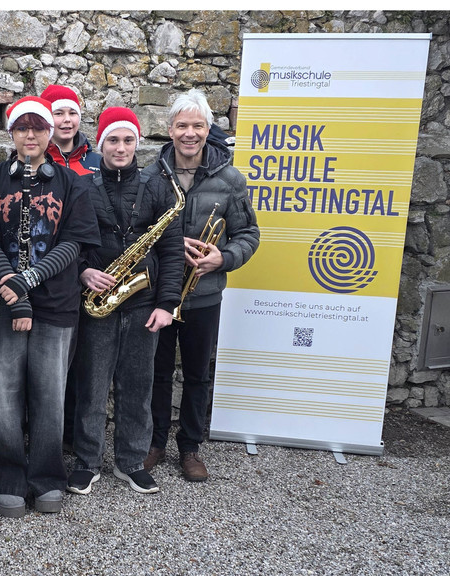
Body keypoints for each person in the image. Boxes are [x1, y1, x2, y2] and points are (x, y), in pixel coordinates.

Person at [0, 96, 99, 518]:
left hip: (55, 305)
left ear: (50, 133)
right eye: (22, 128)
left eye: (39, 127)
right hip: (1, 303)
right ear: (10, 132)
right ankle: (6, 478)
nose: (31, 135)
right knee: (1, 396)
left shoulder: (71, 183)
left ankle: (47, 477)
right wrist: (12, 284)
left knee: (50, 397)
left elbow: (74, 243)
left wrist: (29, 279)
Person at [67, 107, 184, 497]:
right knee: (91, 387)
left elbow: (171, 251)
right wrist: (83, 271)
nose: (121, 148)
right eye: (113, 140)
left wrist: (167, 304)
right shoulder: (82, 187)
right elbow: (71, 242)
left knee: (138, 386)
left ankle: (131, 462)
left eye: (128, 140)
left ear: (138, 143)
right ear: (101, 144)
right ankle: (87, 462)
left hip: (144, 303)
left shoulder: (157, 188)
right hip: (98, 301)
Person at [147, 89, 260, 482]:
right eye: (182, 125)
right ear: (170, 129)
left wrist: (222, 258)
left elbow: (248, 234)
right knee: (157, 372)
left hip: (205, 294)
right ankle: (155, 442)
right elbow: (135, 232)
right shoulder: (151, 175)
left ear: (208, 130)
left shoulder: (230, 179)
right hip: (158, 294)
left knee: (197, 374)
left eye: (197, 125)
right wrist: (168, 243)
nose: (189, 133)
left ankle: (190, 447)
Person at [39, 84, 101, 176]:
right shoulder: (36, 162)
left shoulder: (98, 162)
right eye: (59, 113)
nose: (67, 119)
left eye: (72, 113)